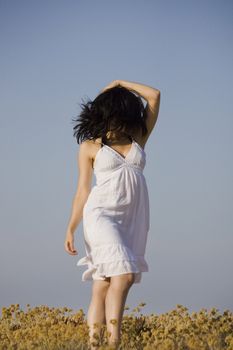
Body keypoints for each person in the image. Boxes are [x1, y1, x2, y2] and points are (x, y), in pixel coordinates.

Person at [64, 80, 160, 349]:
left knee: (103, 285)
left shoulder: (138, 137)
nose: (120, 123)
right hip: (101, 215)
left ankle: (95, 346)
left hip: (132, 219)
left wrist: (119, 84)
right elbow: (82, 191)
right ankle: (114, 343)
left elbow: (154, 96)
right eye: (115, 116)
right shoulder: (90, 147)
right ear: (106, 115)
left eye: (124, 115)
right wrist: (71, 228)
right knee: (125, 275)